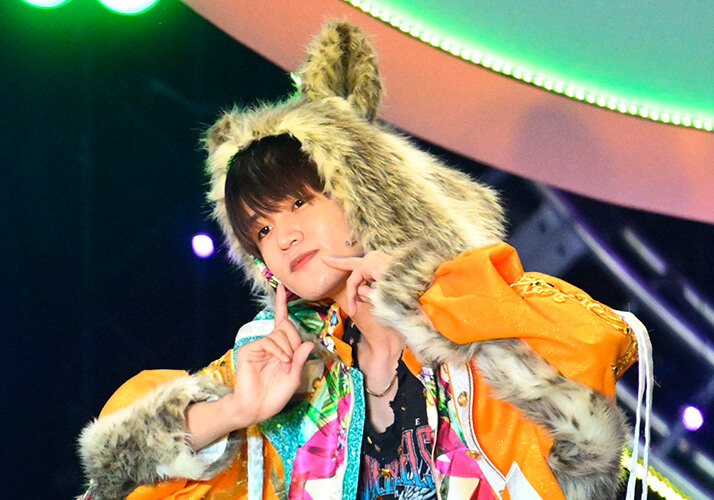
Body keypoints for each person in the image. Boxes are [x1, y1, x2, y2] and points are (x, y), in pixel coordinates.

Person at [78, 21, 649, 500]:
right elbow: (118, 477)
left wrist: (423, 303)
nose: (284, 237)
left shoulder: (475, 309)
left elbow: (589, 438)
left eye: (299, 202)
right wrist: (236, 410)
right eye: (262, 230)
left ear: (358, 195)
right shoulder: (281, 363)